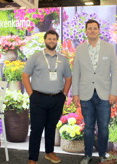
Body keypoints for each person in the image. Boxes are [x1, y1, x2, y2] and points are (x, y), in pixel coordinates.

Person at [72, 19, 117, 164]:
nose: (92, 30)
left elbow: (115, 71)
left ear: (99, 30)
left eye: (95, 28)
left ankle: (102, 154)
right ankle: (87, 155)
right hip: (86, 93)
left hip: (105, 94)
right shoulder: (80, 49)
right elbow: (76, 72)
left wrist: (113, 92)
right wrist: (75, 93)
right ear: (86, 31)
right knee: (88, 127)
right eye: (89, 28)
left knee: (104, 128)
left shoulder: (109, 48)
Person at [22, 30, 72, 164]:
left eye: (54, 39)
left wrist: (64, 94)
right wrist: (31, 94)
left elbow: (68, 77)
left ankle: (49, 153)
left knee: (51, 127)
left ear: (57, 41)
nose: (52, 41)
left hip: (56, 98)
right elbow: (25, 75)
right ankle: (32, 158)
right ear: (45, 40)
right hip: (38, 98)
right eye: (49, 39)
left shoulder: (62, 59)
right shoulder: (36, 57)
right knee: (36, 129)